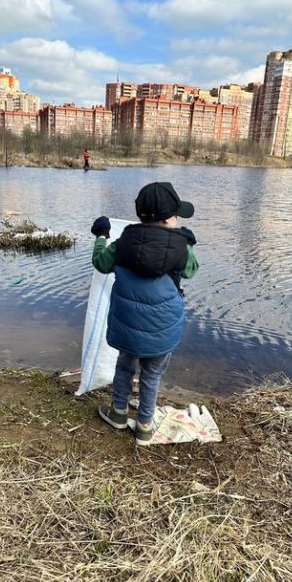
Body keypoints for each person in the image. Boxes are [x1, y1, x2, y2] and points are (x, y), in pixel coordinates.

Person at [90, 181, 199, 446]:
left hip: (128, 326)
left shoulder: (123, 242)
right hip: (163, 329)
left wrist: (102, 235)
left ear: (140, 215)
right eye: (176, 215)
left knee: (125, 367)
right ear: (169, 219)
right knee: (152, 374)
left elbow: (101, 262)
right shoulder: (180, 247)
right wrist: (189, 244)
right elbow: (191, 271)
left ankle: (118, 413)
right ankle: (145, 427)